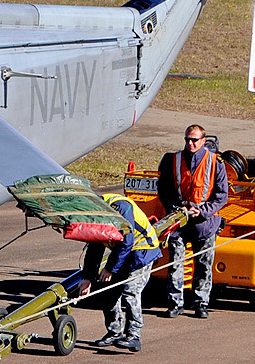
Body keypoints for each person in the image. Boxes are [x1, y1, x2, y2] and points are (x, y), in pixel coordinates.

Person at [157, 124, 230, 319]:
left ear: (203, 141)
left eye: (194, 140)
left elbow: (222, 196)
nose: (190, 143)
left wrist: (203, 211)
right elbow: (163, 189)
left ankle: (201, 303)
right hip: (179, 222)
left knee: (204, 265)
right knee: (175, 264)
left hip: (204, 224)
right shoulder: (173, 160)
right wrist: (175, 208)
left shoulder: (216, 162)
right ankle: (175, 304)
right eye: (187, 139)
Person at [79, 193, 162, 352]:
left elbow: (127, 242)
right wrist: (88, 277)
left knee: (131, 291)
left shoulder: (121, 207)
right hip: (123, 253)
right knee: (109, 290)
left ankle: (134, 336)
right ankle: (114, 332)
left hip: (142, 251)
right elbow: (95, 249)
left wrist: (110, 268)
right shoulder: (95, 215)